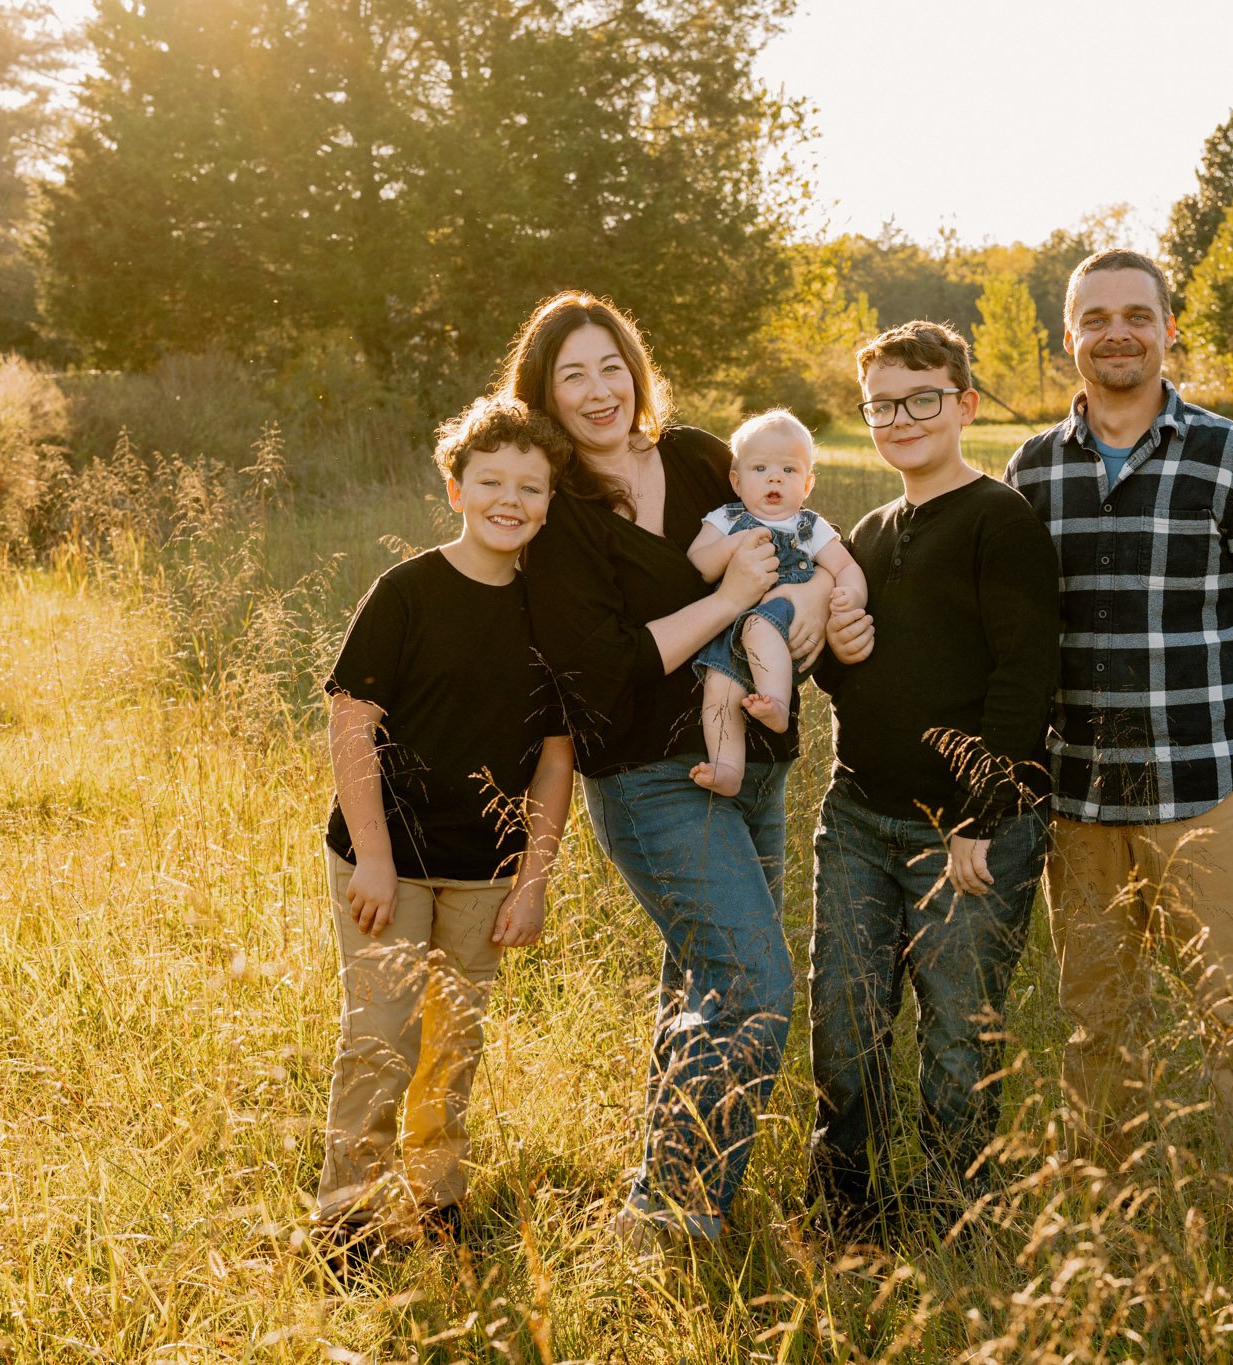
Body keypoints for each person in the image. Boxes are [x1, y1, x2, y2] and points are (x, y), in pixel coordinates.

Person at [1002, 249, 1233, 1243]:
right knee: (1097, 1025)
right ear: (1068, 337)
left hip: (1207, 793)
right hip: (1081, 803)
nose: (1116, 332)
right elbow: (1011, 633)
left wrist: (1228, 734)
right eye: (1094, 317)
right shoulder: (1031, 469)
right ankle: (1108, 1217)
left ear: (1167, 329)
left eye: (1136, 314)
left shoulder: (1231, 456)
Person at [511, 291, 835, 1245]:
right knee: (752, 979)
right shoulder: (555, 512)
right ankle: (676, 1211)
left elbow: (794, 538)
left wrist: (816, 601)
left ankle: (654, 1194)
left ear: (635, 370)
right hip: (649, 775)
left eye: (611, 365)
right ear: (546, 395)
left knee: (703, 980)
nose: (600, 389)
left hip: (758, 761)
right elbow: (602, 670)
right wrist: (729, 594)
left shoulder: (700, 457)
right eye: (573, 374)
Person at [808, 321, 1061, 1236]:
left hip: (969, 828)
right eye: (881, 404)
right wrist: (832, 648)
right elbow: (848, 671)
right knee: (844, 1020)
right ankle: (844, 1203)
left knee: (957, 1033)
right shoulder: (870, 533)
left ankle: (956, 1211)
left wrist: (979, 814)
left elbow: (1023, 673)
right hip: (858, 816)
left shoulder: (1002, 521)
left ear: (963, 403)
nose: (900, 418)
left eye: (921, 399)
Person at [317, 396, 576, 1257]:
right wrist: (378, 861)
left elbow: (553, 762)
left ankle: (436, 1202)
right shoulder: (408, 591)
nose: (511, 499)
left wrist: (530, 883)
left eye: (530, 486)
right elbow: (352, 723)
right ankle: (346, 1220)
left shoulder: (548, 611)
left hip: (484, 868)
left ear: (548, 501)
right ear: (457, 487)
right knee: (382, 1037)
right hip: (386, 856)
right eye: (492, 480)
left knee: (453, 1040)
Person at [686, 409, 866, 796]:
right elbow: (699, 563)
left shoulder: (809, 526)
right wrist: (730, 545)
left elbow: (846, 566)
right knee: (718, 687)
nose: (774, 478)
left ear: (808, 483)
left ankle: (778, 705)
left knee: (758, 626)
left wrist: (848, 596)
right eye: (760, 468)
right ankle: (727, 767)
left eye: (788, 470)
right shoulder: (726, 519)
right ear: (736, 481)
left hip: (784, 623)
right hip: (729, 632)